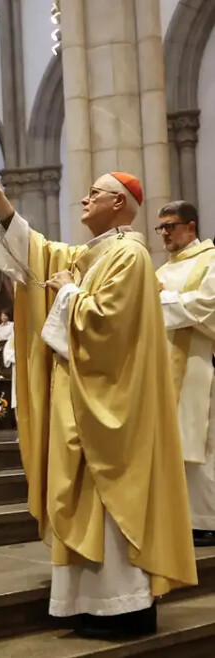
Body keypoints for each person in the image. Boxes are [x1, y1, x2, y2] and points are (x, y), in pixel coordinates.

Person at [0, 170, 196, 638]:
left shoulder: (130, 256)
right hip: (81, 401)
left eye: (94, 193)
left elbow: (108, 326)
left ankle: (124, 606)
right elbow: (37, 254)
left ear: (119, 203)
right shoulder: (93, 255)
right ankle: (87, 603)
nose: (84, 198)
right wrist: (0, 203)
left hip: (112, 407)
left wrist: (70, 293)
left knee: (111, 499)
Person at [154, 200, 215, 547]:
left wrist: (162, 300)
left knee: (202, 443)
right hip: (163, 367)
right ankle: (180, 518)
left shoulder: (210, 260)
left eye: (170, 226)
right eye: (160, 227)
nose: (164, 233)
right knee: (174, 443)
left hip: (198, 365)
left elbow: (207, 305)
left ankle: (207, 520)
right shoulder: (160, 270)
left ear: (190, 227)